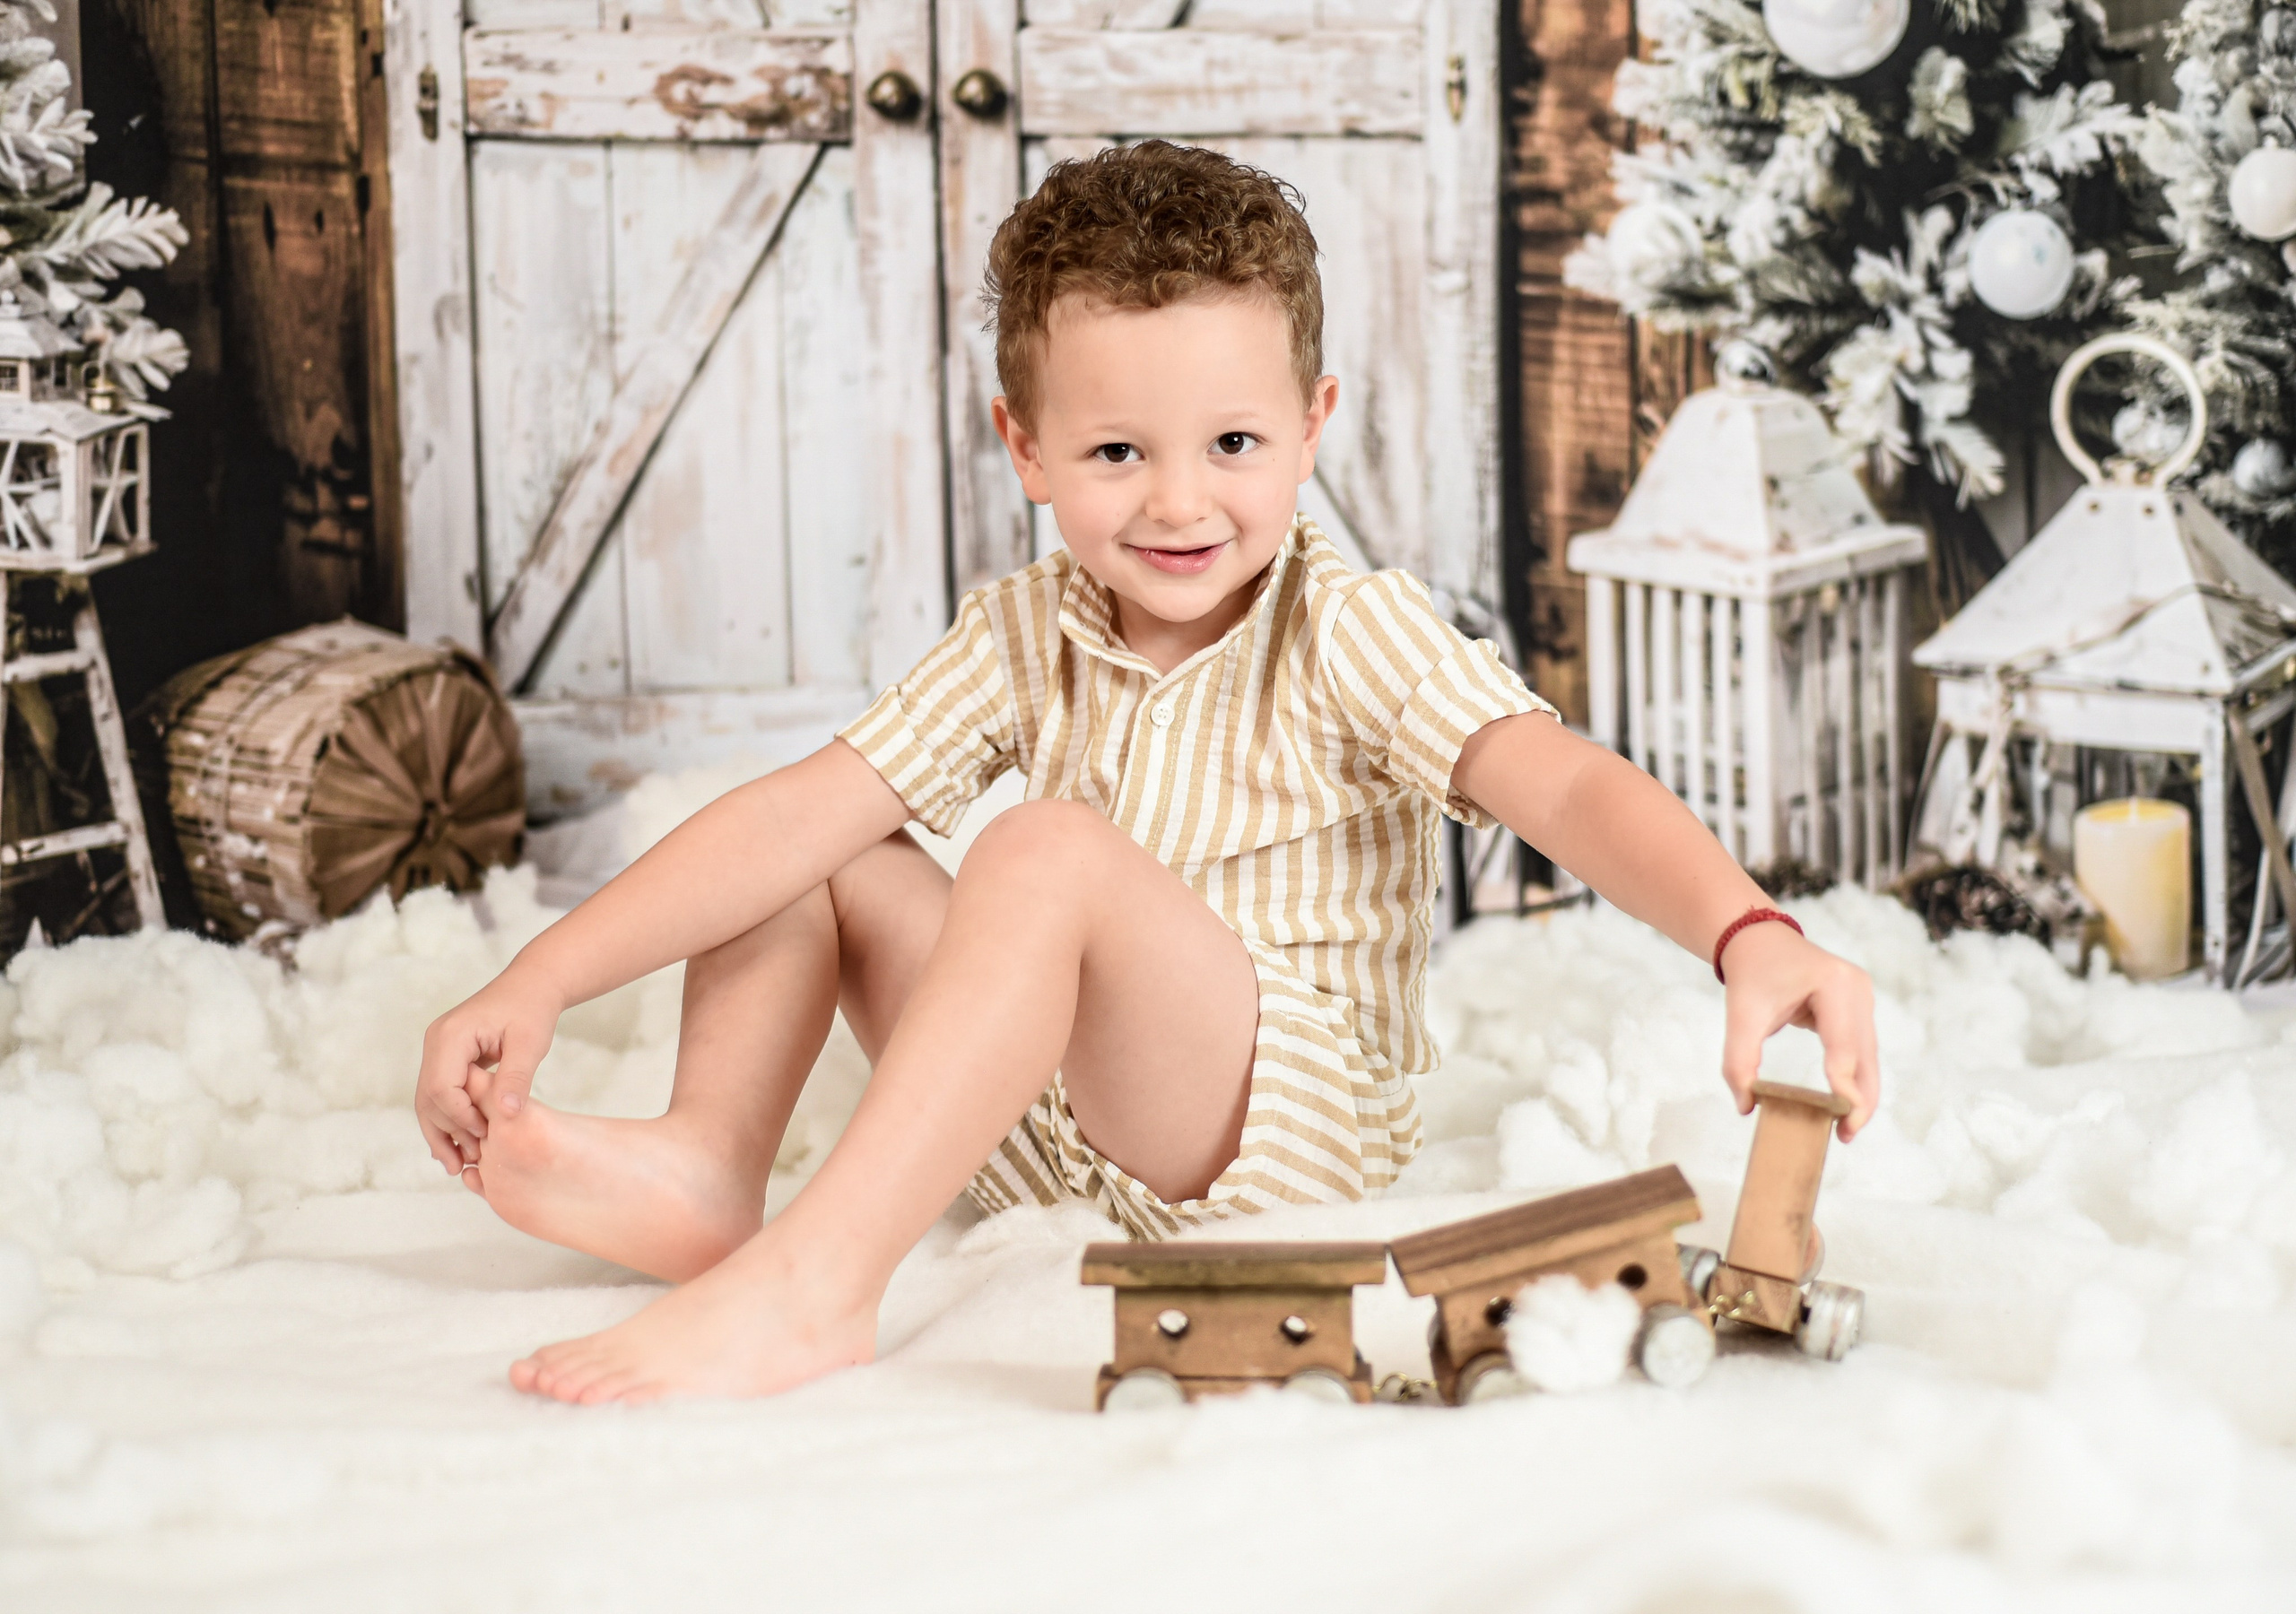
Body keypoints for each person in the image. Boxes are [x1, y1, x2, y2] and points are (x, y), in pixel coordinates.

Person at [413, 141, 1880, 1405]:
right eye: (1117, 449)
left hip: (1267, 1132)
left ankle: (819, 1282)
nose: (1181, 501)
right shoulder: (1021, 631)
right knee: (821, 839)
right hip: (1032, 1123)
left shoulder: (1349, 625)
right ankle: (708, 1165)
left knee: (1041, 847)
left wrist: (1751, 928)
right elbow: (801, 810)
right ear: (1027, 448)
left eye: (1233, 441)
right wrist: (533, 981)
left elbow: (1563, 789)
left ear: (1311, 423)